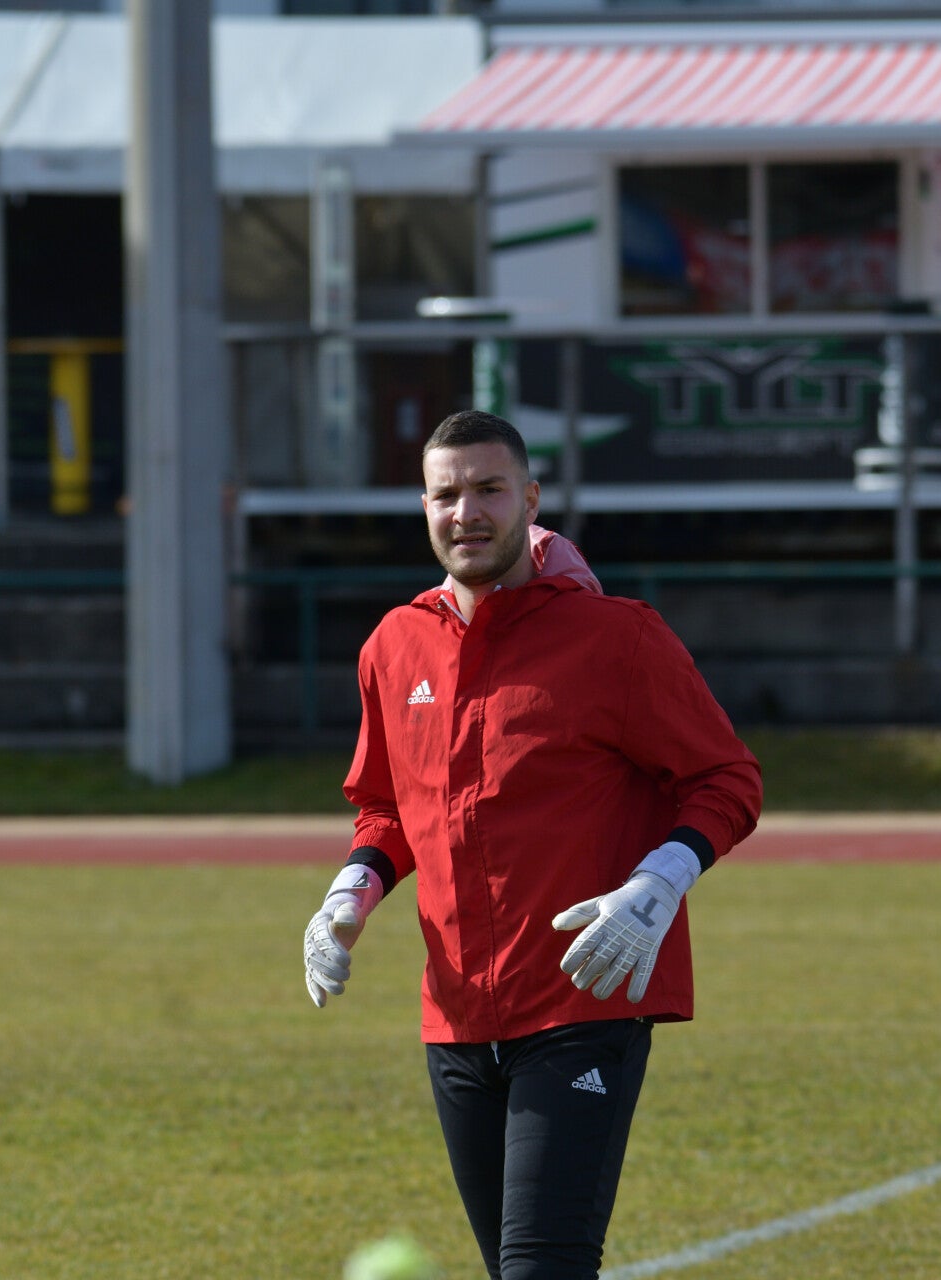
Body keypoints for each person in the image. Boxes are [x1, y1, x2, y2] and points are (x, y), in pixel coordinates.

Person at [301, 410, 763, 1280]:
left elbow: (727, 779)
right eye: (446, 494)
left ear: (531, 500)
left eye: (489, 489)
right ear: (423, 507)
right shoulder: (392, 646)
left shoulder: (618, 637)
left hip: (583, 1002)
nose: (466, 512)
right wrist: (349, 892)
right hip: (455, 1018)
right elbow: (387, 807)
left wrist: (660, 881)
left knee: (542, 1268)